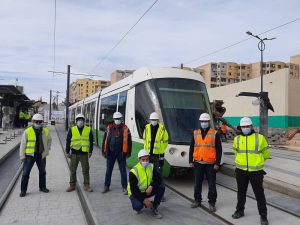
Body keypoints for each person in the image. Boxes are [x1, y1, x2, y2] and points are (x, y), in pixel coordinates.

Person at [232, 117, 270, 225]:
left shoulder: (260, 138)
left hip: (256, 171)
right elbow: (236, 152)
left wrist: (257, 162)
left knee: (259, 194)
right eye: (243, 126)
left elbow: (266, 154)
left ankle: (263, 216)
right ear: (240, 127)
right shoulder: (237, 139)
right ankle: (239, 211)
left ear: (251, 126)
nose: (245, 128)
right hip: (241, 170)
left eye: (247, 126)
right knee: (241, 192)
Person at [189, 113, 222, 212]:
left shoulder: (214, 133)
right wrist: (190, 160)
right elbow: (191, 148)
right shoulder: (195, 133)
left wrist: (217, 163)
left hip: (210, 164)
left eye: (205, 121)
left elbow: (219, 150)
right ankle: (197, 200)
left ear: (209, 122)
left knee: (211, 184)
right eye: (202, 121)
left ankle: (212, 202)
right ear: (200, 122)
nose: (204, 123)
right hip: (198, 163)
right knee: (197, 183)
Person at [19, 113, 52, 197]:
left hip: (41, 155)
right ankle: (23, 190)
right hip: (29, 156)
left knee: (42, 172)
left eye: (39, 122)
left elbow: (49, 141)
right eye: (36, 121)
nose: (38, 123)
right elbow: (23, 144)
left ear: (42, 122)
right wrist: (22, 156)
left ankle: (42, 187)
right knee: (25, 173)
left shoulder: (45, 131)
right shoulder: (27, 131)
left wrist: (47, 150)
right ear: (33, 121)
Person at [127, 149, 165, 219]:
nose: (145, 161)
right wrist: (144, 199)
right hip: (136, 193)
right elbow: (134, 190)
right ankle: (139, 204)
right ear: (139, 160)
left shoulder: (151, 166)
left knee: (161, 187)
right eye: (143, 160)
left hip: (147, 190)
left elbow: (158, 179)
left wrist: (151, 186)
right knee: (138, 206)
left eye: (147, 159)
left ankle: (154, 206)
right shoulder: (133, 171)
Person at [102, 112, 132, 194]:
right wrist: (103, 151)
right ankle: (106, 186)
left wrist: (129, 152)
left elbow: (129, 141)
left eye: (119, 119)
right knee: (109, 170)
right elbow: (105, 140)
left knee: (123, 170)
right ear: (113, 119)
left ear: (121, 119)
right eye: (116, 119)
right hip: (110, 152)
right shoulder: (109, 128)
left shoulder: (126, 128)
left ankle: (125, 187)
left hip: (121, 153)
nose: (117, 120)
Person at [143, 112, 168, 200]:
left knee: (159, 175)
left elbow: (165, 143)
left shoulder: (162, 129)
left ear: (158, 120)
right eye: (152, 120)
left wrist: (161, 156)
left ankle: (161, 195)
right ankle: (146, 191)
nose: (153, 121)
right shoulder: (146, 128)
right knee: (147, 174)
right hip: (148, 155)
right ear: (150, 120)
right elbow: (145, 141)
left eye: (155, 120)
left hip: (157, 156)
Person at [66, 114, 93, 192]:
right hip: (74, 153)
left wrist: (90, 151)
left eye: (81, 120)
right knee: (73, 170)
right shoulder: (72, 129)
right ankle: (72, 185)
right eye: (78, 120)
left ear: (84, 121)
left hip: (84, 153)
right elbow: (68, 140)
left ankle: (87, 185)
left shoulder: (88, 129)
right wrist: (67, 151)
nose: (80, 121)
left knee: (85, 170)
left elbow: (91, 141)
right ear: (76, 121)